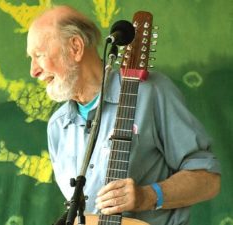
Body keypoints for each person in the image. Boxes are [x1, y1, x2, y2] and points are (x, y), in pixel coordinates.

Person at [26, 5, 221, 225]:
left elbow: (208, 179)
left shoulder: (150, 93)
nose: (33, 71)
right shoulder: (57, 126)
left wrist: (148, 196)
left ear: (76, 47)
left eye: (39, 56)